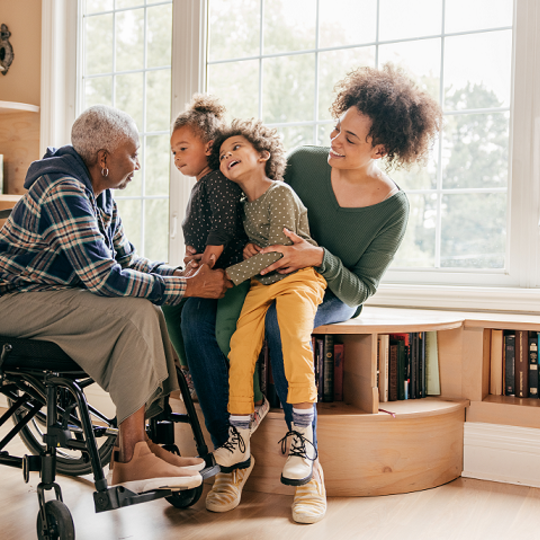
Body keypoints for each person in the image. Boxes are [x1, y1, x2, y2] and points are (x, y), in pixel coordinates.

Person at [181, 63, 442, 521]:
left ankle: (307, 466)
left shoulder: (392, 207)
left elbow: (362, 288)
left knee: (282, 329)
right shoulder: (303, 161)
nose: (335, 143)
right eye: (337, 130)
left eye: (350, 140)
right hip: (268, 274)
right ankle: (234, 455)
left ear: (380, 149)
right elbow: (253, 208)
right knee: (195, 318)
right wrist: (243, 247)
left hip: (329, 290)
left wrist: (318, 257)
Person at [0, 105, 231, 495]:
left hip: (43, 298)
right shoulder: (63, 188)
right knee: (134, 312)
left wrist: (181, 275)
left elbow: (125, 260)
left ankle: (138, 448)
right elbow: (102, 278)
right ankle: (132, 454)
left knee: (148, 308)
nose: (137, 164)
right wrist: (190, 288)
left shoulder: (99, 196)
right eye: (131, 155)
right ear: (103, 159)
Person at [208, 119, 326, 492]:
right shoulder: (242, 205)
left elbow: (277, 253)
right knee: (241, 346)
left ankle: (302, 437)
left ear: (263, 154)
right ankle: (239, 431)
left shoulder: (281, 193)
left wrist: (229, 275)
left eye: (236, 148)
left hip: (297, 278)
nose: (228, 156)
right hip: (262, 283)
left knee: (293, 337)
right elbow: (255, 249)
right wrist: (244, 250)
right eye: (223, 154)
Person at [162, 94, 267, 416]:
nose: (177, 157)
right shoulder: (202, 184)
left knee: (206, 325)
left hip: (228, 269)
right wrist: (191, 255)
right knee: (169, 303)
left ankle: (245, 398)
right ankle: (191, 374)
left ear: (208, 147)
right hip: (208, 267)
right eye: (173, 152)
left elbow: (223, 226)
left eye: (183, 148)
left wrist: (203, 265)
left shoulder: (218, 182)